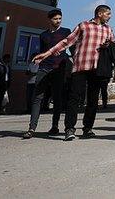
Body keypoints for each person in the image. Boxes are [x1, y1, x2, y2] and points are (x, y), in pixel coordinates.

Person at [33, 4, 115, 141]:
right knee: (74, 99)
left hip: (97, 69)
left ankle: (88, 128)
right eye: (108, 14)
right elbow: (66, 42)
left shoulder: (108, 30)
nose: (110, 16)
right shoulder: (83, 26)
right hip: (80, 67)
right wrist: (47, 53)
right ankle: (69, 129)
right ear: (100, 14)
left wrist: (109, 46)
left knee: (93, 100)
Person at [24, 9, 71, 138]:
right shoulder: (43, 35)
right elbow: (43, 51)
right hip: (44, 68)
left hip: (58, 68)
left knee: (57, 98)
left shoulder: (66, 32)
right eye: (55, 19)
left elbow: (70, 46)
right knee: (37, 97)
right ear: (50, 20)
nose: (58, 21)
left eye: (60, 18)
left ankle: (55, 126)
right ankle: (32, 128)